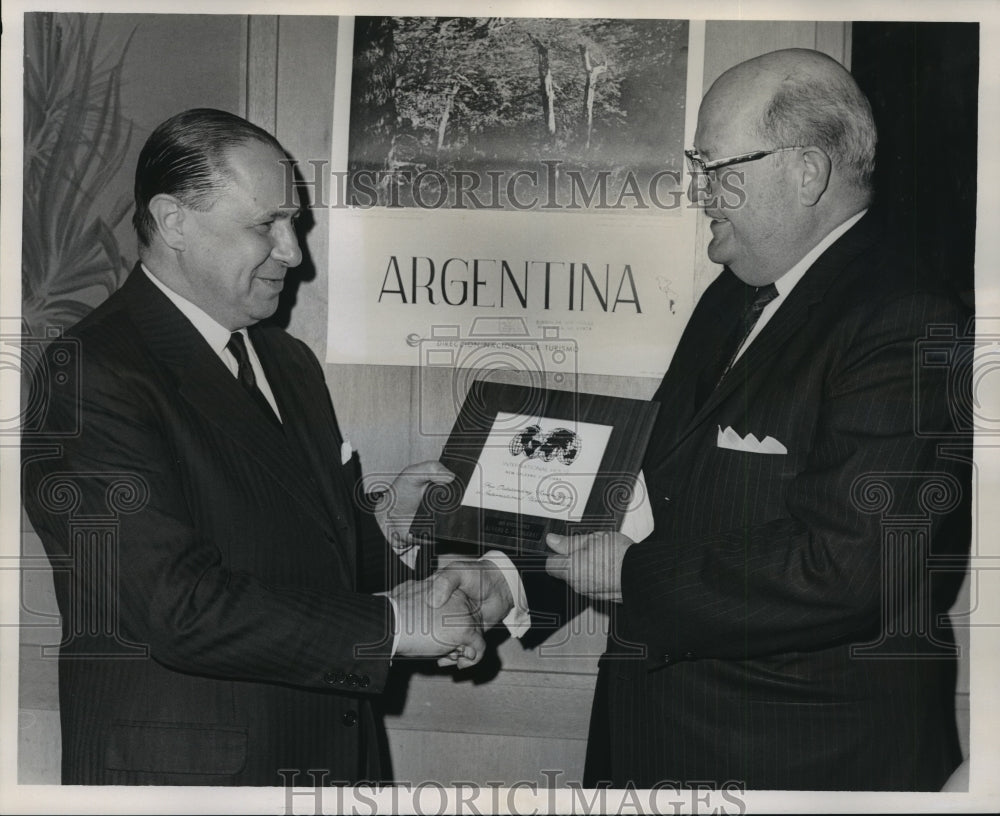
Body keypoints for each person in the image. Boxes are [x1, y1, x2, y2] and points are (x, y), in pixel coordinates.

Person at [432, 48, 972, 790]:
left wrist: (633, 577)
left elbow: (849, 568)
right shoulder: (738, 292)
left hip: (798, 768)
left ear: (806, 170)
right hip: (666, 743)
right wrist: (510, 578)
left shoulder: (908, 320)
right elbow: (654, 490)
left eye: (717, 168)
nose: (699, 193)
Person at [21, 108, 489, 786]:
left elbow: (303, 548)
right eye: (264, 224)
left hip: (327, 762)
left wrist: (388, 529)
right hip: (190, 782)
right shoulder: (89, 373)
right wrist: (390, 625)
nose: (294, 251)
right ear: (173, 220)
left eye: (293, 221)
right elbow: (173, 607)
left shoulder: (287, 360)